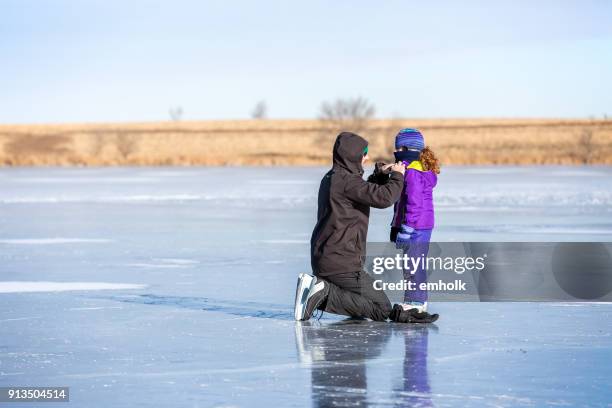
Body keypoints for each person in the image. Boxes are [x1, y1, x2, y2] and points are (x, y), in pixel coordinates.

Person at [294, 131, 438, 324]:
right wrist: (397, 175)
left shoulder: (335, 178)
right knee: (382, 309)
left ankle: (321, 290)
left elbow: (365, 191)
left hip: (329, 258)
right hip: (342, 264)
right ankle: (322, 291)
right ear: (352, 156)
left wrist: (380, 174)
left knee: (364, 304)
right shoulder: (347, 182)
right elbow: (384, 197)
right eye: (364, 153)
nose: (368, 157)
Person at [390, 128, 440, 316]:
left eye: (398, 149)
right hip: (418, 225)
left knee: (414, 264)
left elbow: (415, 203)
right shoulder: (413, 168)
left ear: (406, 149)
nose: (395, 153)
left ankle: (417, 302)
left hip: (417, 226)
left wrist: (407, 229)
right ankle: (412, 299)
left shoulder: (412, 172)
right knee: (410, 264)